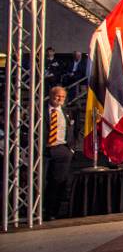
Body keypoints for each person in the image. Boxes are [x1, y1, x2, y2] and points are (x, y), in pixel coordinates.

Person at [43, 86, 74, 220]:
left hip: (62, 149)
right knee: (45, 181)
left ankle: (53, 211)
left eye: (62, 97)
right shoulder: (41, 111)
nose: (60, 99)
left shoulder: (67, 112)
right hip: (45, 149)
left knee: (60, 181)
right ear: (51, 96)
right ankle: (42, 209)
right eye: (57, 96)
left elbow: (75, 128)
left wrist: (71, 148)